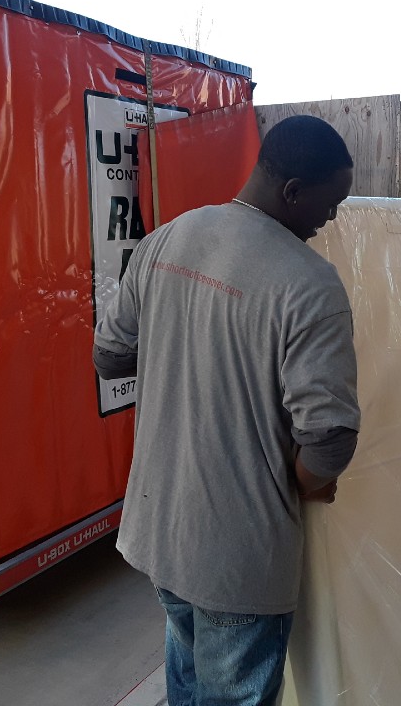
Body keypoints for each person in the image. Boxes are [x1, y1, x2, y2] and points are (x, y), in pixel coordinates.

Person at [93, 114, 361, 706]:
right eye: (331, 203)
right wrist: (306, 485)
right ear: (293, 191)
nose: (331, 218)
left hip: (161, 531)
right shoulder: (310, 284)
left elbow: (109, 357)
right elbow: (330, 439)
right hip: (239, 559)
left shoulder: (167, 239)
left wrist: (184, 354)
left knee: (187, 682)